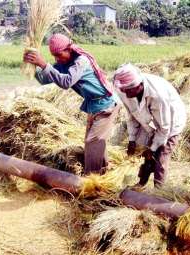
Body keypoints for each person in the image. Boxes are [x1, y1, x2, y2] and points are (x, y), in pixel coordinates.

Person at [23, 33, 119, 175]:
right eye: (54, 56)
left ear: (68, 49)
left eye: (59, 55)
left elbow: (66, 82)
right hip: (93, 105)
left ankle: (91, 181)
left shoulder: (81, 61)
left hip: (106, 104)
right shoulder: (63, 63)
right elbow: (45, 79)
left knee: (92, 142)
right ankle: (104, 170)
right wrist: (33, 65)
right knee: (96, 142)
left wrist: (44, 64)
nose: (56, 59)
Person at [113, 63, 186, 188]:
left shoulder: (158, 95)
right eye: (123, 90)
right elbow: (132, 115)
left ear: (139, 85)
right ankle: (141, 184)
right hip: (147, 119)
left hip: (170, 122)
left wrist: (152, 149)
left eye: (127, 90)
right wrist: (132, 139)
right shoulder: (125, 91)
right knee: (144, 153)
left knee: (161, 157)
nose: (124, 92)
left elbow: (164, 128)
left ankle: (159, 190)